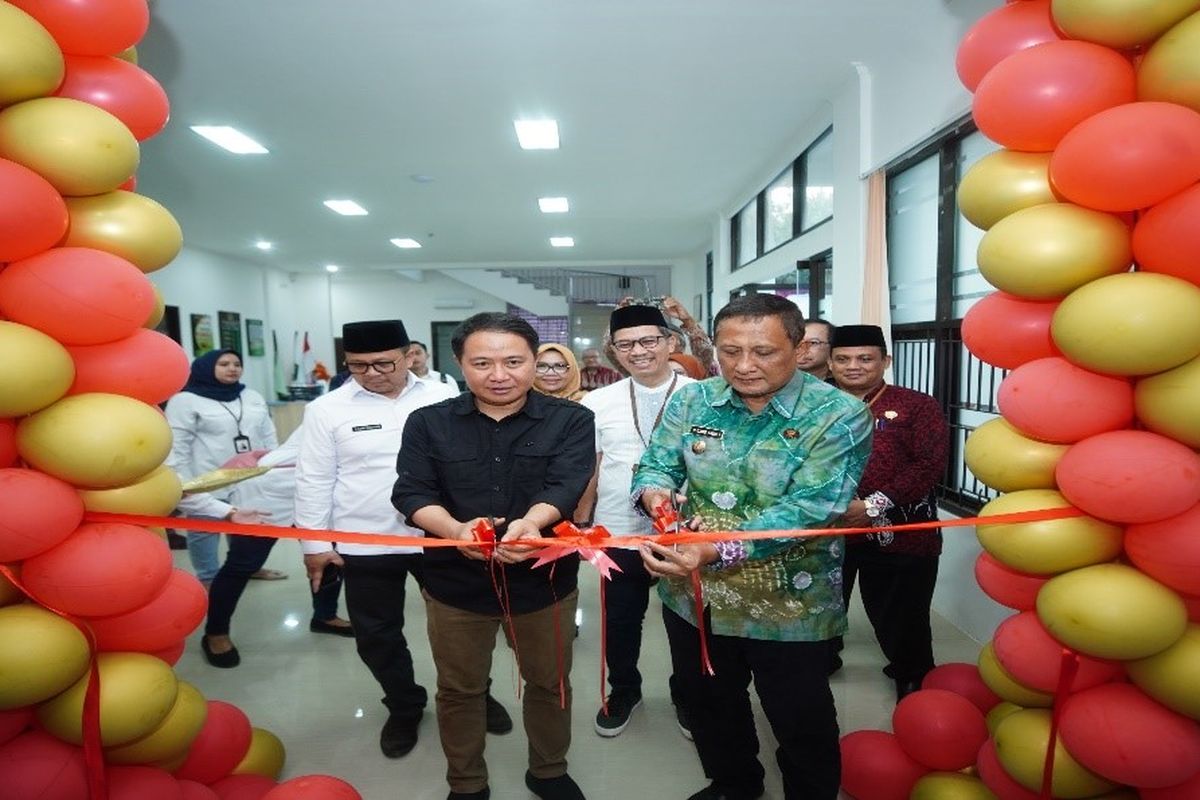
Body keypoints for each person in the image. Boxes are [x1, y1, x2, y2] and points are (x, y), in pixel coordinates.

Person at [633, 294, 873, 800]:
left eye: (763, 352)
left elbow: (814, 507)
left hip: (792, 606)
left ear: (801, 347)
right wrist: (660, 504)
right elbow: (655, 465)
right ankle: (733, 785)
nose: (744, 366)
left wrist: (716, 549)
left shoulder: (839, 415)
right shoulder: (691, 400)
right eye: (730, 351)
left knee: (799, 719)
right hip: (695, 598)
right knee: (709, 705)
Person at [392, 312, 595, 800]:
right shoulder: (427, 423)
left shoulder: (572, 419)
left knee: (549, 685)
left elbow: (566, 484)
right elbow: (412, 493)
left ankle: (548, 770)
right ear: (459, 364)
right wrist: (456, 530)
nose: (499, 375)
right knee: (460, 690)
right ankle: (466, 782)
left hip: (543, 582)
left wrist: (533, 523)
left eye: (513, 361)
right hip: (454, 585)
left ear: (534, 361)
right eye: (482, 362)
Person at [295, 320, 511, 760]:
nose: (371, 373)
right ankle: (403, 704)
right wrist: (314, 545)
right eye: (358, 366)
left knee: (465, 628)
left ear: (409, 355)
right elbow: (314, 479)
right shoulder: (327, 410)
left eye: (382, 363)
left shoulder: (445, 396)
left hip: (442, 536)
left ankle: (475, 693)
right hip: (367, 540)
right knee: (377, 634)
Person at [577, 305, 697, 739]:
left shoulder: (701, 395)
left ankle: (687, 693)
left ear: (670, 343)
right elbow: (590, 466)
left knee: (685, 621)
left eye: (649, 341)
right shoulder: (597, 400)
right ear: (613, 350)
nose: (638, 351)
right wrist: (583, 520)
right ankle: (624, 689)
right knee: (620, 620)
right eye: (626, 344)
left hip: (685, 532)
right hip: (618, 529)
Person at [828, 324, 948, 700]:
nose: (854, 366)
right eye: (843, 358)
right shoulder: (812, 404)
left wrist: (873, 505)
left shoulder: (917, 405)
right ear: (830, 362)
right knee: (820, 604)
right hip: (828, 527)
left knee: (904, 613)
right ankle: (820, 661)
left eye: (865, 358)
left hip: (903, 531)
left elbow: (929, 465)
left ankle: (912, 675)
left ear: (885, 361)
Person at [200, 426, 352, 669]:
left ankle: (325, 617)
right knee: (242, 565)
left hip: (319, 494)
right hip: (268, 491)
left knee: (328, 556)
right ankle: (215, 633)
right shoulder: (328, 407)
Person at [165, 349, 281, 588]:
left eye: (237, 363)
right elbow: (177, 445)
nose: (233, 368)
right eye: (224, 364)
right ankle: (209, 577)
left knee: (247, 524)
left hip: (249, 476)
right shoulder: (185, 400)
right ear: (206, 367)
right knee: (205, 530)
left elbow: (268, 433)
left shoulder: (250, 396)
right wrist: (182, 481)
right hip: (206, 476)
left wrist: (274, 463)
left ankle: (248, 568)